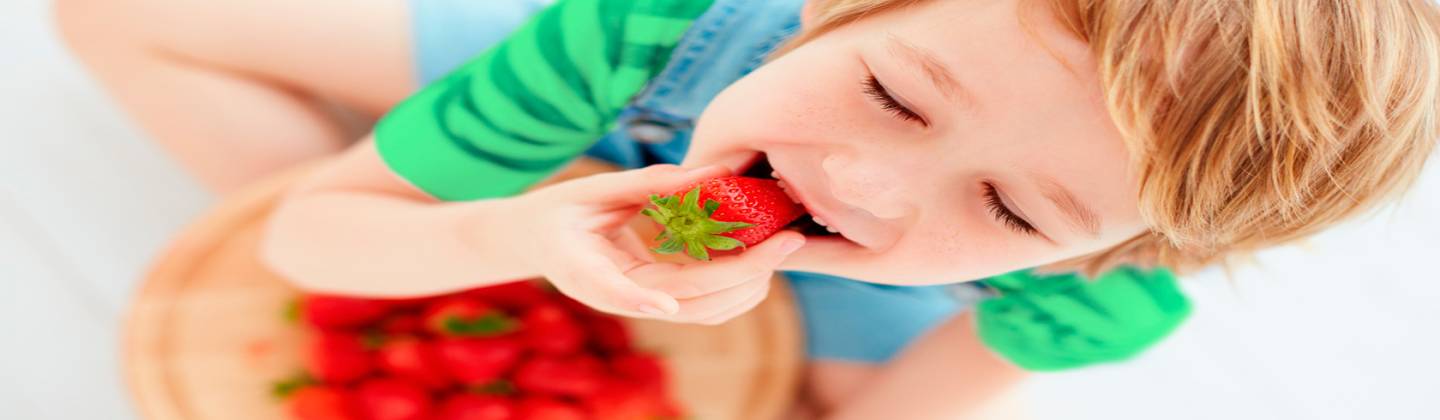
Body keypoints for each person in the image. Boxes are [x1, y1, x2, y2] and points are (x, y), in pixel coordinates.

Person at [58, 0, 1440, 417]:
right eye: (895, 94)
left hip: (833, 306)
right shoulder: (643, 30)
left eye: (1017, 210)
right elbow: (305, 237)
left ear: (1105, 255)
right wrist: (501, 236)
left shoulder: (1094, 302)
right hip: (637, 103)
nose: (865, 180)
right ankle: (480, 183)